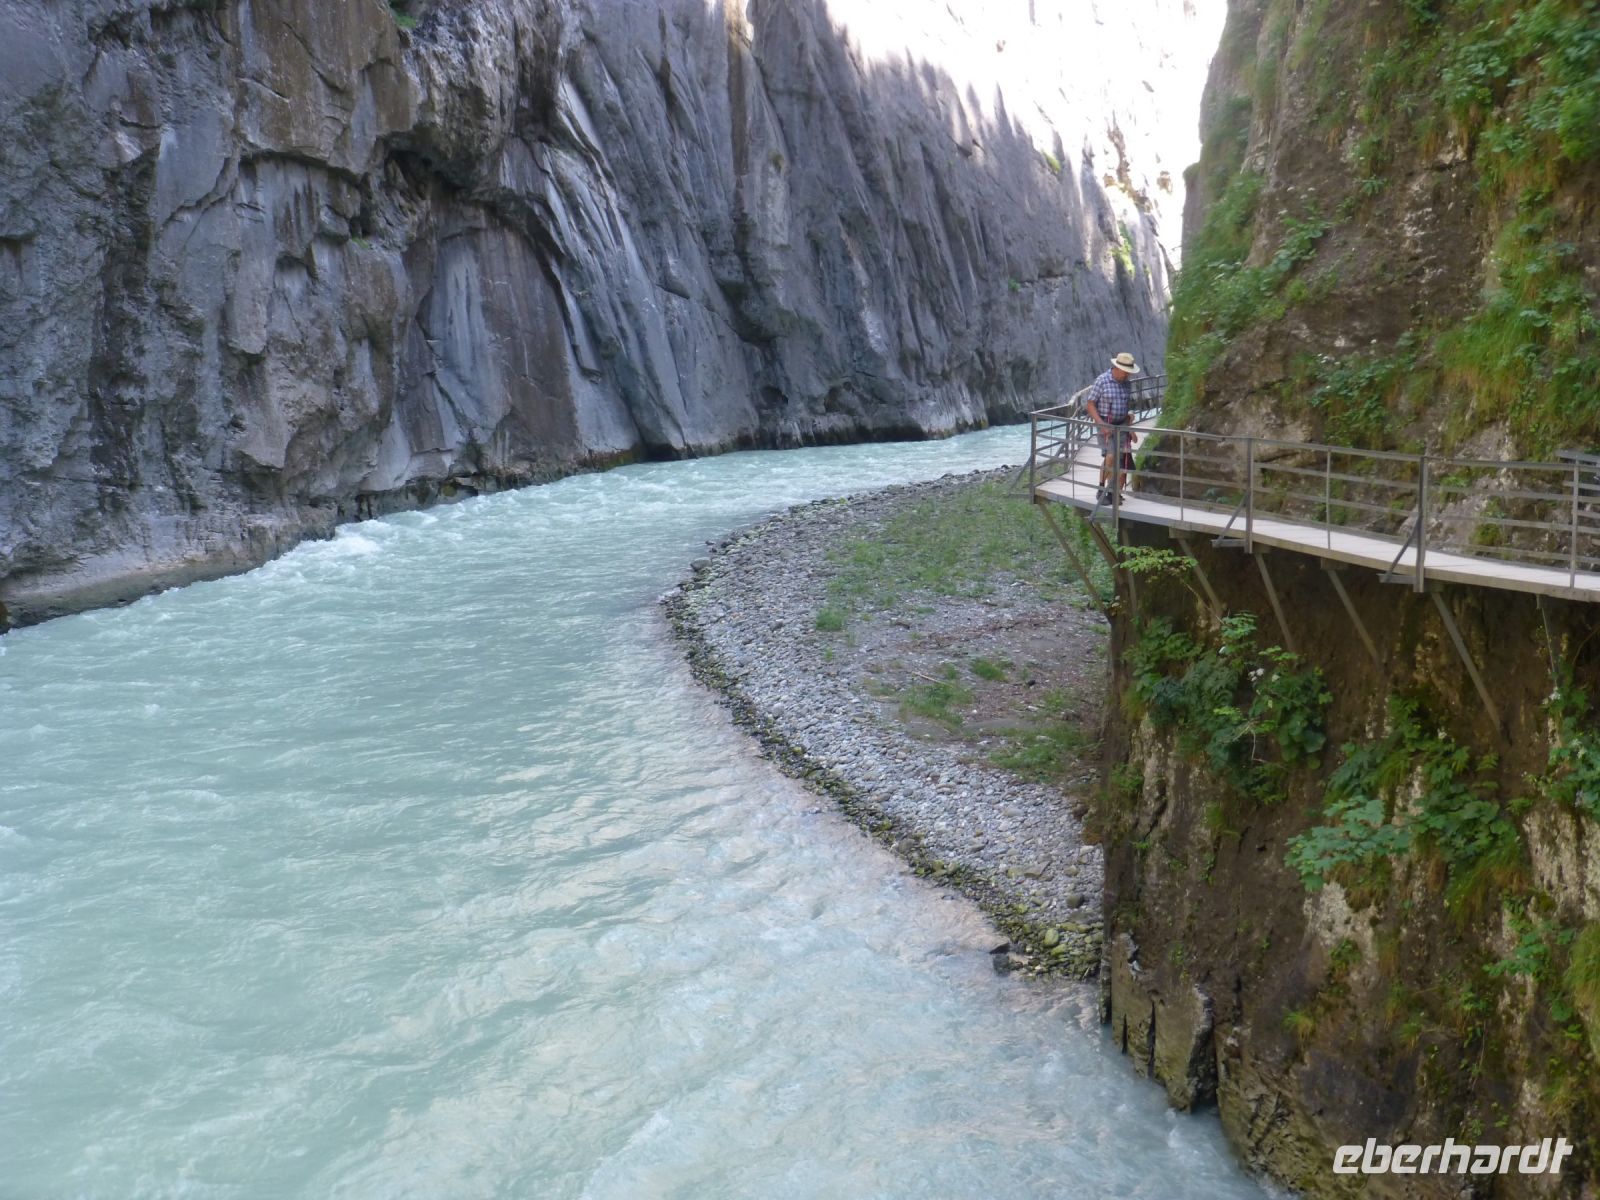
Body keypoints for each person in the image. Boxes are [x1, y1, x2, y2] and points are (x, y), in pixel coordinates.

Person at [1084, 351, 1140, 505]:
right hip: (1105, 424)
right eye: (1126, 372)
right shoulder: (1102, 381)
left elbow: (1126, 405)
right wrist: (1101, 424)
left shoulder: (1127, 383)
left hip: (1121, 425)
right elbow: (1090, 404)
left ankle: (1110, 491)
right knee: (1110, 456)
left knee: (1120, 460)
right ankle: (1106, 490)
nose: (1127, 375)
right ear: (1117, 367)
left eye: (1129, 372)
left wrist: (1130, 424)